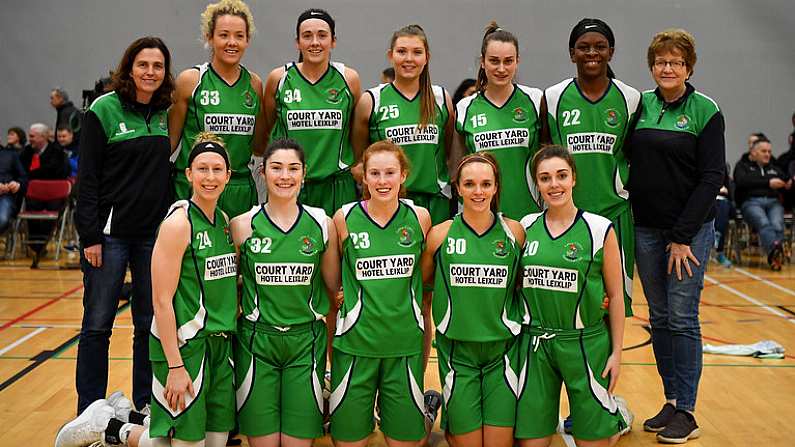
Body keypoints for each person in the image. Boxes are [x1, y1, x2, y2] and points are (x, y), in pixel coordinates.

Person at [57, 136, 236, 447]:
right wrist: (176, 366)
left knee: (215, 441)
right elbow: (161, 301)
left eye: (217, 169)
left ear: (228, 175)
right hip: (185, 346)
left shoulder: (222, 221)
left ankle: (126, 419)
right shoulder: (178, 223)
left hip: (219, 348)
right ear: (188, 174)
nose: (210, 177)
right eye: (202, 169)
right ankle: (110, 427)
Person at [627, 28, 725, 443]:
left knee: (683, 319)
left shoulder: (705, 110)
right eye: (661, 62)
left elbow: (711, 177)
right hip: (646, 230)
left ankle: (687, 410)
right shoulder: (642, 106)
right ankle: (671, 399)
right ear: (652, 66)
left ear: (688, 68)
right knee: (661, 318)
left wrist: (683, 236)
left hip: (688, 235)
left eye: (676, 62)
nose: (668, 68)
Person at [74, 36, 174, 415]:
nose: (150, 72)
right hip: (109, 237)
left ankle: (146, 405)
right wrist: (90, 237)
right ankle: (90, 409)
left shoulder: (166, 112)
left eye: (158, 66)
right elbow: (87, 180)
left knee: (148, 323)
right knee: (98, 323)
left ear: (165, 72)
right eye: (143, 64)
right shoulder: (103, 109)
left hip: (153, 238)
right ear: (129, 67)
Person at [515, 145, 626, 447]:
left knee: (594, 442)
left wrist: (617, 353)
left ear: (574, 178)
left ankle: (617, 415)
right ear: (537, 184)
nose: (554, 185)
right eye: (545, 178)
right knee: (532, 443)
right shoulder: (526, 227)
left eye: (561, 176)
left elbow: (616, 296)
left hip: (586, 343)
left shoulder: (600, 228)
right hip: (535, 345)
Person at [232, 138, 341, 446]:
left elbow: (333, 288)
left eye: (293, 168)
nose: (285, 176)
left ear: (304, 173)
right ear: (263, 172)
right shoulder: (242, 225)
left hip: (305, 342)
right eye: (276, 168)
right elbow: (227, 286)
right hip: (257, 340)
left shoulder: (322, 223)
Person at [330, 140, 432, 447]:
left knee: (404, 441)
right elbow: (334, 289)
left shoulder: (420, 217)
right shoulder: (343, 218)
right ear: (364, 177)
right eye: (374, 173)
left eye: (390, 172)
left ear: (403, 176)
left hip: (403, 347)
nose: (382, 181)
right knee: (348, 441)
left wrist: (423, 358)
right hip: (355, 346)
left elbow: (424, 294)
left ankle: (425, 409)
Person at [420, 152, 524, 447]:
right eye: (470, 184)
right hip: (458, 354)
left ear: (495, 188)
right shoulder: (440, 236)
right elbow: (423, 285)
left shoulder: (514, 233)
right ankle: (429, 411)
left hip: (502, 353)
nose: (478, 191)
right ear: (458, 188)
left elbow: (525, 284)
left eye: (485, 184)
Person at [541, 18, 640, 317]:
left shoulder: (631, 98)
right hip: (567, 215)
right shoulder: (554, 97)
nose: (592, 53)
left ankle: (611, 363)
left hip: (615, 215)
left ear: (611, 51)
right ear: (572, 53)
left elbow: (635, 155)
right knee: (569, 300)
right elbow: (545, 154)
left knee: (613, 302)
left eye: (599, 46)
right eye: (584, 47)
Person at [352, 24, 455, 225]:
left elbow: (449, 152)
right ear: (391, 56)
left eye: (417, 52)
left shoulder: (441, 98)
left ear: (427, 57)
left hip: (435, 203)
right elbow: (358, 161)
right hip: (388, 204)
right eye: (401, 52)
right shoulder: (372, 100)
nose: (409, 59)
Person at [170, 0, 264, 219]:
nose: (232, 42)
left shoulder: (255, 84)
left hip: (239, 188)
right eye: (224, 35)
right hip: (195, 187)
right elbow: (168, 143)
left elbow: (259, 146)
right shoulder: (190, 81)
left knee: (238, 254)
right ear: (209, 37)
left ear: (247, 40)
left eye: (239, 36)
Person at [263, 8, 361, 216]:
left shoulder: (348, 79)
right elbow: (268, 130)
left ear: (333, 41)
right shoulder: (279, 79)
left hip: (337, 185)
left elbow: (356, 133)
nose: (315, 42)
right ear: (297, 42)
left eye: (322, 35)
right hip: (290, 184)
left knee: (338, 248)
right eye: (307, 36)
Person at [453, 22, 543, 219]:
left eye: (508, 61)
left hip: (530, 213)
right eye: (494, 61)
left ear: (517, 61)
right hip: (482, 217)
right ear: (482, 62)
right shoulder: (464, 108)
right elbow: (457, 167)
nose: (501, 68)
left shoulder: (535, 100)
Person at [733, 136, 790, 270]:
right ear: (754, 152)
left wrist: (787, 183)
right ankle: (775, 252)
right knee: (763, 222)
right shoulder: (742, 166)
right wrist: (768, 182)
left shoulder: (774, 168)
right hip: (751, 202)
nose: (768, 154)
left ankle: (775, 254)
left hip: (773, 202)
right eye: (764, 151)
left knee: (777, 224)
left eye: (769, 152)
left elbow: (786, 180)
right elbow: (742, 181)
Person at [19, 123, 69, 267]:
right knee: (31, 209)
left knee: (51, 212)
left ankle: (42, 244)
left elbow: (58, 172)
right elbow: (22, 172)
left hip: (53, 194)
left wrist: (34, 176)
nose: (30, 139)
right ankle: (36, 246)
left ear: (43, 137)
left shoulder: (57, 152)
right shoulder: (27, 152)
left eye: (33, 136)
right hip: (33, 194)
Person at [0, 143, 27, 234]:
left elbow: (23, 177)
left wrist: (17, 184)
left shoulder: (10, 155)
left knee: (2, 219)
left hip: (5, 196)